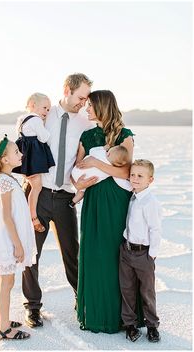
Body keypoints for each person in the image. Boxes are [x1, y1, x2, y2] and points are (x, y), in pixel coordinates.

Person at [22, 73, 97, 328]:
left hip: (65, 197)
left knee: (72, 253)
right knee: (31, 254)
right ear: (67, 89)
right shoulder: (44, 114)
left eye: (86, 98)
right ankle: (32, 307)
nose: (83, 102)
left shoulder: (85, 122)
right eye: (80, 97)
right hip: (38, 194)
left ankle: (82, 298)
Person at [76, 89, 141, 333]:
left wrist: (97, 163)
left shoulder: (125, 136)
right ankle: (95, 315)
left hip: (117, 201)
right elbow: (78, 169)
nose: (87, 109)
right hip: (93, 199)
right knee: (94, 256)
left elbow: (127, 173)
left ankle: (122, 318)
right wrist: (78, 185)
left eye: (91, 105)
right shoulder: (86, 136)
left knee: (117, 258)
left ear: (103, 106)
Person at [0, 135, 37, 340]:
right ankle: (5, 329)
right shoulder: (5, 183)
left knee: (1, 279)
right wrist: (18, 244)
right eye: (16, 152)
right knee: (6, 282)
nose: (21, 154)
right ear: (5, 160)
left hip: (5, 237)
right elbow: (7, 217)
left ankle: (1, 320)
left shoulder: (7, 179)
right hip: (7, 239)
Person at [119, 159, 162, 342]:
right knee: (127, 289)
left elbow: (155, 229)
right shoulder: (132, 195)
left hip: (143, 253)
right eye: (133, 175)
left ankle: (152, 325)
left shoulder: (150, 202)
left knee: (147, 292)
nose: (135, 179)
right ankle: (130, 324)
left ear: (150, 180)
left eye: (140, 176)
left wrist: (151, 255)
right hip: (126, 251)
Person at [13, 93, 55, 232]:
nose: (46, 112)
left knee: (32, 186)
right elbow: (43, 137)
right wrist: (47, 130)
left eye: (49, 109)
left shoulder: (21, 119)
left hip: (24, 158)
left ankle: (25, 216)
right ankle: (33, 218)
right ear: (32, 105)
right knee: (37, 188)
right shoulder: (36, 120)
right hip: (32, 159)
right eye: (44, 108)